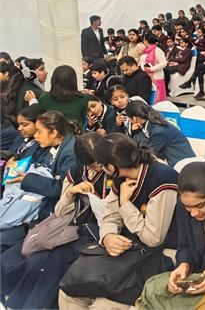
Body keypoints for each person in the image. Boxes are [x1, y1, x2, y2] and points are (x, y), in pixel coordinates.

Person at [58, 133, 179, 309]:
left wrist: (125, 203)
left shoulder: (162, 179)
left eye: (101, 165)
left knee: (101, 305)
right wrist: (108, 236)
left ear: (111, 166)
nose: (100, 170)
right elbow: (110, 216)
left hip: (160, 253)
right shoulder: (120, 177)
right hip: (131, 247)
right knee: (69, 291)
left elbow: (153, 238)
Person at [0, 133, 111, 309]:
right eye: (93, 165)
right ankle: (18, 302)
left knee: (51, 260)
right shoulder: (76, 170)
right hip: (73, 224)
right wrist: (71, 193)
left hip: (97, 231)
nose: (99, 168)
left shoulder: (115, 171)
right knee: (24, 256)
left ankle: (33, 305)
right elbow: (60, 211)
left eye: (101, 163)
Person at [138, 161, 205, 309]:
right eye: (188, 207)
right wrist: (183, 265)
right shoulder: (182, 205)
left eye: (200, 205)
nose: (193, 213)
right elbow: (184, 244)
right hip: (199, 278)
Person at [1, 111, 77, 250]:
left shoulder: (70, 153)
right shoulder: (54, 147)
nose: (35, 136)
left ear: (53, 133)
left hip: (53, 212)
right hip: (40, 205)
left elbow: (61, 189)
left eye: (39, 132)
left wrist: (27, 179)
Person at [125, 100, 195, 167]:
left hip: (182, 164)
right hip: (171, 158)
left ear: (134, 118)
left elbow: (147, 152)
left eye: (129, 118)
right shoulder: (153, 120)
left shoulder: (158, 131)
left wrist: (135, 133)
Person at [140, 34, 168, 103]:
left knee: (158, 95)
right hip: (147, 76)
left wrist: (151, 69)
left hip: (157, 76)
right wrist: (143, 68)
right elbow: (141, 62)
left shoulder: (157, 50)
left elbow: (164, 63)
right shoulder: (145, 51)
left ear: (146, 40)